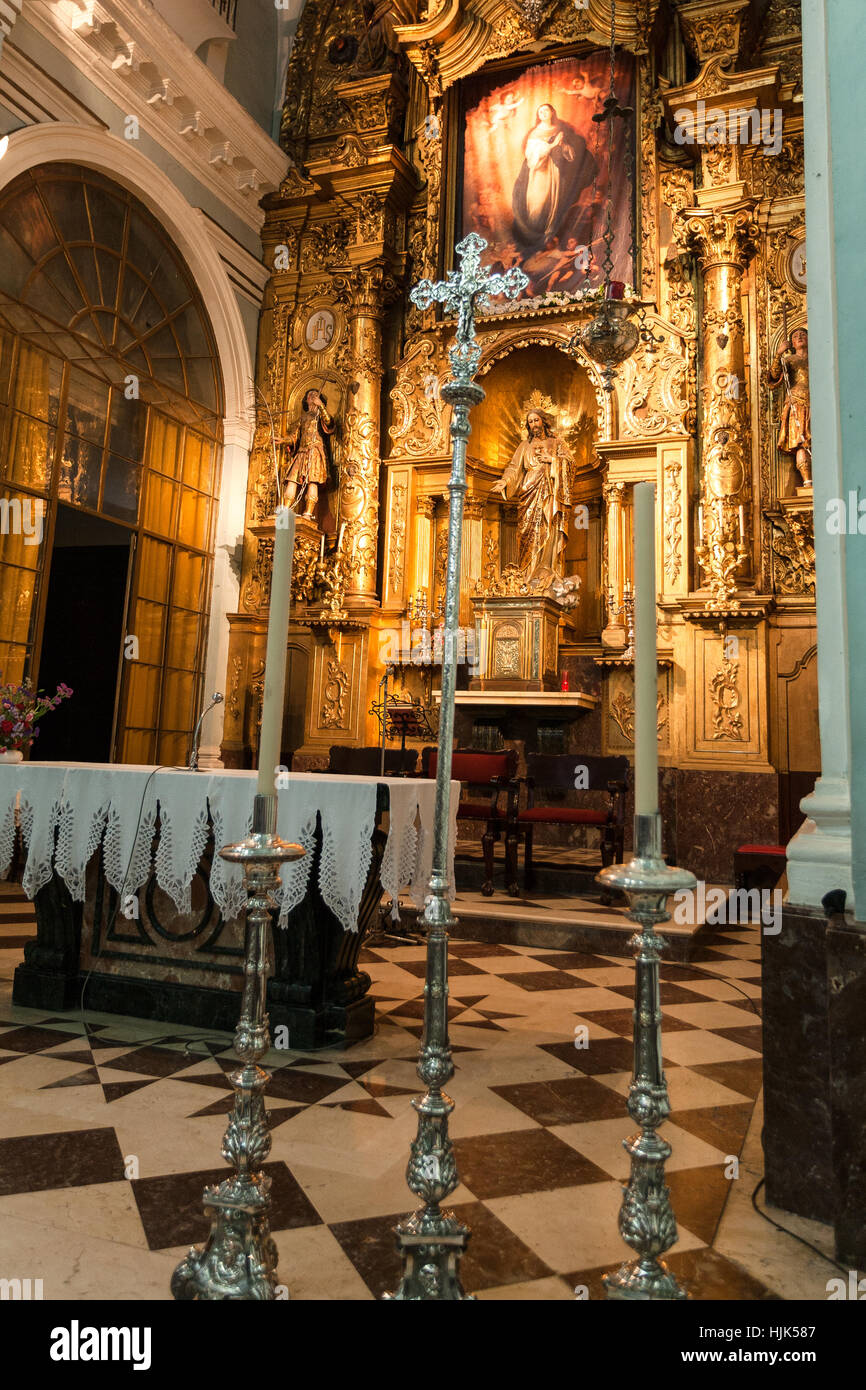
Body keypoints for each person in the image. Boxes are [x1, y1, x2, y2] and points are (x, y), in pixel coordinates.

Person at [489, 408, 573, 585]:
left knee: (548, 527)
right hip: (529, 491)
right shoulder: (524, 446)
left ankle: (546, 571)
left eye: (536, 420)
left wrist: (553, 461)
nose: (534, 424)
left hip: (550, 492)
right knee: (527, 532)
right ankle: (527, 575)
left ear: (543, 421)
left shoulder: (557, 442)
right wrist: (505, 482)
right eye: (530, 422)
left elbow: (571, 464)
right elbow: (513, 468)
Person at [512, 103, 597, 253]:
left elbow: (570, 155)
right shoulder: (535, 133)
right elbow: (531, 156)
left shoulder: (560, 131)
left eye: (546, 110)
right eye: (540, 111)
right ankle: (533, 235)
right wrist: (551, 146)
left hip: (554, 172)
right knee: (537, 203)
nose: (543, 113)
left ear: (552, 112)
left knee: (552, 202)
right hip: (539, 173)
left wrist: (563, 144)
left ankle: (547, 236)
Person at [279, 389, 336, 519]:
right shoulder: (303, 418)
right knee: (292, 479)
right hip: (301, 452)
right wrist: (283, 440)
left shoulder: (321, 415)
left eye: (315, 395)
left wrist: (321, 406)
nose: (312, 396)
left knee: (312, 481)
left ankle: (308, 513)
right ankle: (285, 510)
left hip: (315, 452)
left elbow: (329, 423)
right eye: (310, 395)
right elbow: (294, 437)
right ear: (306, 400)